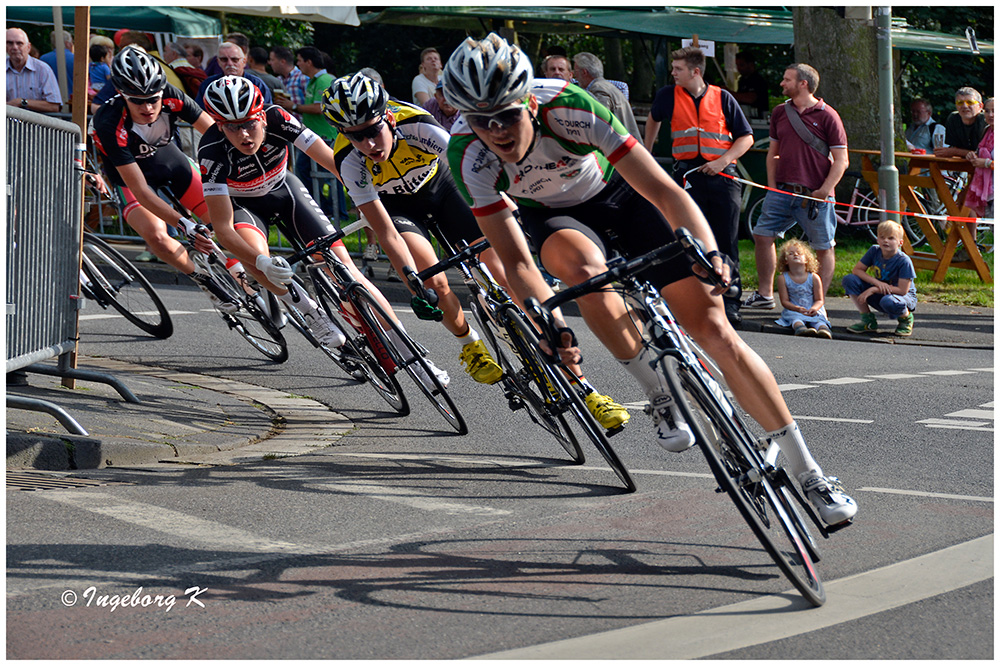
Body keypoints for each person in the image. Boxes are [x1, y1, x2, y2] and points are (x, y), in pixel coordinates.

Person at [441, 33, 856, 526]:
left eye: (507, 116)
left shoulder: (572, 108)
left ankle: (810, 472)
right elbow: (516, 263)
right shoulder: (469, 155)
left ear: (529, 102)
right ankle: (658, 392)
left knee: (715, 331)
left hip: (623, 196)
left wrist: (710, 253)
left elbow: (663, 190)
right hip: (554, 220)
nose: (497, 132)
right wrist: (548, 322)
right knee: (580, 272)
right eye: (481, 122)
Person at [323, 71, 628, 426]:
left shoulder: (419, 126)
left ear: (388, 117)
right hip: (400, 211)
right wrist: (412, 283)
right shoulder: (349, 160)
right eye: (356, 136)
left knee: (503, 272)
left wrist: (510, 215)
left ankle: (585, 388)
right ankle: (470, 343)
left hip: (444, 186)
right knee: (432, 280)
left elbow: (476, 173)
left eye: (373, 130)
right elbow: (387, 232)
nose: (369, 143)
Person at [197, 76, 449, 380]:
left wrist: (362, 197)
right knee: (258, 258)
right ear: (219, 125)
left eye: (249, 123)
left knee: (347, 270)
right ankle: (308, 310)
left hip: (285, 191)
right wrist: (261, 261)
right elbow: (224, 229)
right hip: (245, 207)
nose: (244, 134)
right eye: (231, 127)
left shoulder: (279, 118)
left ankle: (412, 356)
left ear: (262, 115)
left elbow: (331, 162)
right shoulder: (211, 150)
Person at [89, 46, 236, 311]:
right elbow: (142, 191)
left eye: (153, 99)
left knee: (225, 224)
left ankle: (245, 278)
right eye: (137, 100)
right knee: (157, 238)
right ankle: (202, 279)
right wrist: (183, 224)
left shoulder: (171, 95)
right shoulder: (108, 121)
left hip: (172, 164)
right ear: (122, 94)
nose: (147, 107)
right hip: (132, 180)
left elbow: (215, 134)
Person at [644, 46, 754, 326]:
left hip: (722, 177)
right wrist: (647, 153)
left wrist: (723, 161)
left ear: (695, 72)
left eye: (677, 69)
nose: (673, 73)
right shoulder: (668, 95)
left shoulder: (723, 97)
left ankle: (731, 301)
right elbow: (654, 119)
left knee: (726, 240)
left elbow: (746, 138)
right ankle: (693, 299)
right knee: (688, 239)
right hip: (688, 176)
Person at [743, 63, 848, 310]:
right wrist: (771, 186)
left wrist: (824, 190)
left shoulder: (828, 115)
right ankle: (764, 295)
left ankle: (816, 304)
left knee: (823, 247)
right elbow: (773, 154)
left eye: (787, 79)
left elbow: (842, 160)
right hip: (782, 190)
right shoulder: (780, 112)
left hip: (814, 195)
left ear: (803, 83)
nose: (782, 83)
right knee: (762, 235)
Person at [274, 47, 336, 217]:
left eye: (300, 60)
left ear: (309, 62)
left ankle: (334, 211)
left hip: (324, 136)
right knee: (310, 173)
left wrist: (293, 107)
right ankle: (325, 209)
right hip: (314, 136)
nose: (298, 64)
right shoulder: (313, 80)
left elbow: (319, 108)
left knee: (329, 176)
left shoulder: (324, 80)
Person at [842, 220, 917, 337]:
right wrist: (876, 283)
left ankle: (906, 319)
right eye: (882, 237)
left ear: (900, 242)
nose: (885, 240)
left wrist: (873, 289)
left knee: (888, 301)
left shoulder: (904, 261)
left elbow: (903, 290)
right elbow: (857, 270)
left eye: (891, 238)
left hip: (901, 297)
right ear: (877, 239)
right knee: (850, 280)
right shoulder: (874, 250)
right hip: (883, 291)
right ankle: (868, 321)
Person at [572, 52, 641, 141]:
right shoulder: (606, 86)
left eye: (575, 71)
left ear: (584, 72)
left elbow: (600, 123)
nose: (574, 76)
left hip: (621, 148)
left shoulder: (598, 89)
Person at [773, 239, 832, 338]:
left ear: (806, 259)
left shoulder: (814, 277)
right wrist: (797, 308)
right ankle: (800, 329)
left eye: (799, 253)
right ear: (785, 260)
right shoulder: (783, 278)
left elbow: (819, 300)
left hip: (813, 308)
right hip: (795, 309)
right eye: (791, 253)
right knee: (796, 318)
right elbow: (785, 301)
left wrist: (814, 308)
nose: (796, 255)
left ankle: (823, 330)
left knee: (819, 319)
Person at [195, 42, 273, 108]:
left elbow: (266, 112)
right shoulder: (208, 85)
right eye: (224, 59)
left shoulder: (257, 84)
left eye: (235, 59)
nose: (230, 63)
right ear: (218, 62)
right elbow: (199, 113)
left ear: (244, 61)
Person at [6, 27, 62, 113]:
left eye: (19, 43)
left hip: (35, 125)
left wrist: (22, 102)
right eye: (10, 43)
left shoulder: (43, 70)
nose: (14, 47)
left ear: (28, 47)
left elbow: (54, 106)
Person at [934, 87, 987, 160]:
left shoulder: (986, 120)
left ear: (980, 106)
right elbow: (953, 147)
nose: (965, 106)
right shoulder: (953, 118)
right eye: (960, 102)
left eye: (970, 102)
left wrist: (954, 151)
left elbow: (985, 154)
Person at [964, 97, 994, 220]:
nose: (991, 115)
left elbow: (987, 161)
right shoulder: (986, 132)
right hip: (988, 192)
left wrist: (987, 163)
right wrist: (972, 156)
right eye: (987, 111)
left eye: (995, 110)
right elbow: (980, 153)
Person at [268, 46, 307, 117]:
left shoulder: (302, 78)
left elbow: (313, 105)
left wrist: (293, 106)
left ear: (282, 61)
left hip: (302, 124)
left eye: (272, 60)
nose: (270, 63)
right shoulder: (278, 80)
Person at [731, 51, 769, 120]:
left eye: (742, 65)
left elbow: (750, 98)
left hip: (758, 118)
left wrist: (730, 93)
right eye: (737, 65)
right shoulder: (742, 80)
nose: (739, 68)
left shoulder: (757, 79)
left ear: (751, 65)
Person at [40, 29, 73, 99]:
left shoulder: (43, 59)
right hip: (72, 99)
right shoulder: (77, 59)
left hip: (49, 99)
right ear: (67, 43)